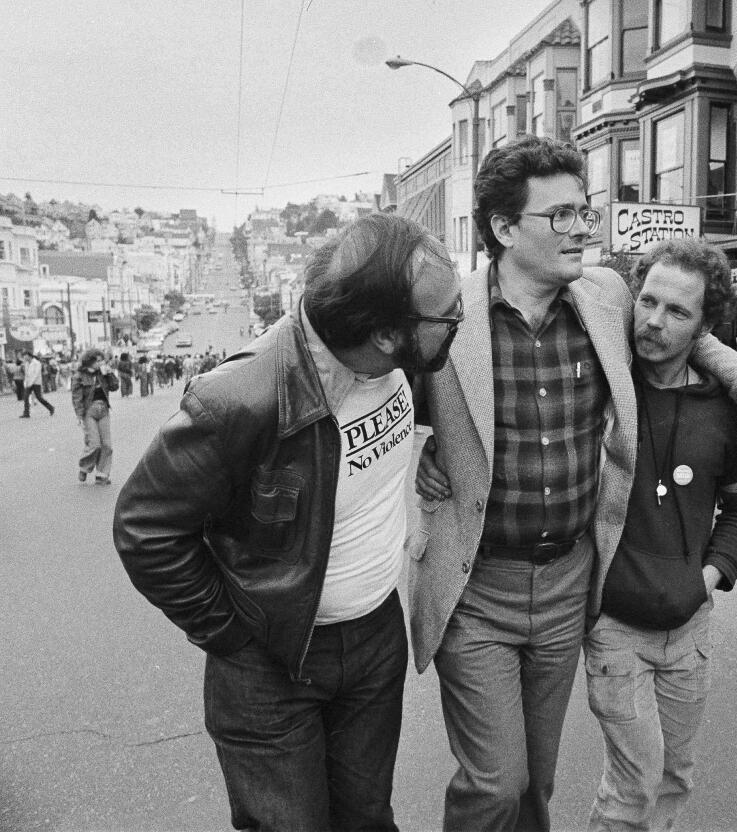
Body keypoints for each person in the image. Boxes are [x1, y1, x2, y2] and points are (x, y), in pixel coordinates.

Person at [407, 135, 737, 832]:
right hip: (476, 587)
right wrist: (420, 458)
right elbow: (374, 388)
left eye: (586, 210)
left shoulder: (605, 296)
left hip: (565, 587)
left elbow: (688, 328)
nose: (584, 227)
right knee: (495, 783)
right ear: (503, 228)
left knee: (536, 787)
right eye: (562, 216)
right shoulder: (447, 317)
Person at [113, 214, 463, 832]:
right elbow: (146, 529)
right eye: (449, 316)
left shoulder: (404, 359)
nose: (460, 323)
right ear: (385, 334)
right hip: (271, 664)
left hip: (376, 637)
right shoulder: (238, 397)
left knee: (365, 818)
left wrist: (434, 445)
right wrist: (232, 634)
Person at [583, 239, 737, 829]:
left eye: (677, 312)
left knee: (675, 776)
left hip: (690, 631)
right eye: (648, 301)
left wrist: (706, 579)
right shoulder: (602, 384)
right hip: (615, 627)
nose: (654, 321)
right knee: (634, 783)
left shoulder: (724, 408)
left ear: (705, 327)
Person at [72, 349, 119, 484]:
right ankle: (84, 467)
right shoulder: (79, 376)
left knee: (107, 445)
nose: (100, 363)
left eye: (101, 360)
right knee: (94, 444)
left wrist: (109, 374)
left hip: (103, 410)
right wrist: (79, 416)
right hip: (89, 412)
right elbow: (77, 398)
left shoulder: (102, 374)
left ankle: (102, 474)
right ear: (90, 361)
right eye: (97, 361)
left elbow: (115, 387)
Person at [19, 349, 55, 417]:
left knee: (39, 398)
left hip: (36, 383)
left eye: (25, 356)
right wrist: (26, 382)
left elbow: (36, 374)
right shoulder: (26, 363)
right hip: (29, 383)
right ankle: (26, 413)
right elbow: (26, 374)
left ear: (29, 356)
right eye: (24, 356)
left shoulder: (37, 363)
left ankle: (51, 408)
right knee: (26, 397)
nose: (24, 358)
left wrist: (31, 383)